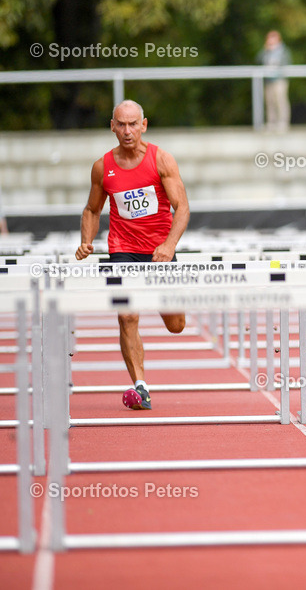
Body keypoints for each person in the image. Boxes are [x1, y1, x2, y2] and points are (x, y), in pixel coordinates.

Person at [75, 100, 190, 410]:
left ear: (144, 125)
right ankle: (140, 386)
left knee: (176, 324)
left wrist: (169, 245)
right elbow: (92, 208)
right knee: (127, 315)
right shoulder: (102, 166)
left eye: (133, 124)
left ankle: (155, 295)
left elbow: (183, 208)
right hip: (122, 248)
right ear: (113, 126)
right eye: (121, 125)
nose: (127, 131)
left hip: (158, 253)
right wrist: (87, 240)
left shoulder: (161, 160)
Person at [258, 30, 291, 131]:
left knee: (280, 101)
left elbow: (286, 63)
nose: (270, 40)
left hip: (280, 79)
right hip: (269, 80)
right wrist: (265, 50)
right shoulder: (266, 51)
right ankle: (271, 123)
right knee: (270, 102)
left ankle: (283, 122)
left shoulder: (284, 50)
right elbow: (258, 59)